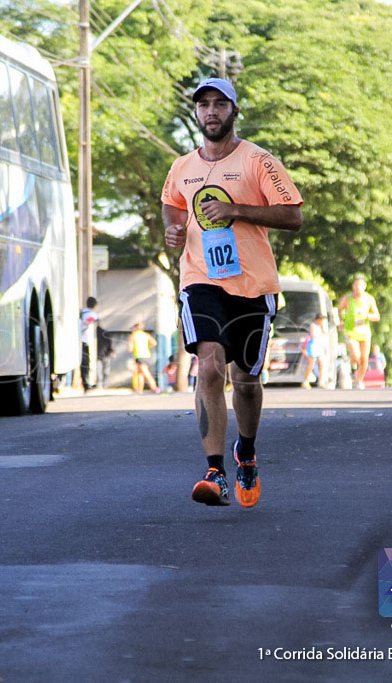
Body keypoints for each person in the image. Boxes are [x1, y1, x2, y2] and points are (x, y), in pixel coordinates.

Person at [161, 77, 303, 507]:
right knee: (208, 368)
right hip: (200, 280)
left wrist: (235, 210)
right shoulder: (182, 167)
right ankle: (214, 472)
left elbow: (292, 216)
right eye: (204, 105)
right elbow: (173, 201)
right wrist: (171, 227)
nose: (211, 112)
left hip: (253, 285)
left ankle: (246, 449)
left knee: (245, 379)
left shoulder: (259, 161)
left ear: (234, 111)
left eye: (219, 104)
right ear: (197, 114)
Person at [338, 276, 381, 389]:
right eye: (356, 285)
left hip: (365, 332)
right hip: (351, 330)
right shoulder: (347, 298)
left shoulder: (369, 299)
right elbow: (340, 309)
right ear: (353, 286)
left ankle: (359, 380)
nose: (358, 288)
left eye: (360, 285)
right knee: (356, 356)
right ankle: (352, 368)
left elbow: (377, 316)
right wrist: (342, 320)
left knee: (364, 359)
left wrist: (366, 316)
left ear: (364, 287)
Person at [128, 321, 160, 394]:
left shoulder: (133, 335)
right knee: (140, 373)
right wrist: (148, 346)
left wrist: (133, 348)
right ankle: (140, 390)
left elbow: (130, 348)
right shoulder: (146, 335)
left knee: (145, 372)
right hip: (147, 355)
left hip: (139, 356)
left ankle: (154, 388)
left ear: (135, 328)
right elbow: (154, 343)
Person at [301, 312, 326, 389]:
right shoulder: (313, 326)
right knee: (311, 364)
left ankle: (321, 381)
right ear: (318, 320)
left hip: (319, 347)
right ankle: (306, 381)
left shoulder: (320, 327)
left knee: (321, 364)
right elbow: (313, 336)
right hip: (313, 347)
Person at [78, 297, 98, 392]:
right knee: (85, 363)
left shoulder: (81, 312)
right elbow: (91, 319)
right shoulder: (92, 314)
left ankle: (85, 383)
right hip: (84, 341)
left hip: (78, 340)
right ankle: (86, 384)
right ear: (95, 305)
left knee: (82, 363)